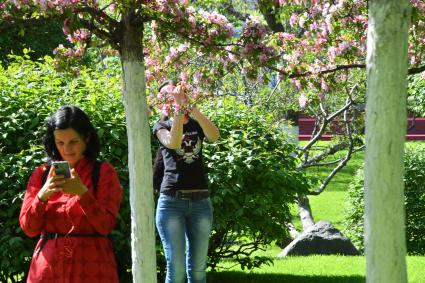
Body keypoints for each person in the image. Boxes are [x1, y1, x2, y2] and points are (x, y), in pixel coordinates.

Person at [19, 106, 122, 283]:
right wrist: (43, 195)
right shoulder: (42, 174)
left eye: (73, 142)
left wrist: (82, 193)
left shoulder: (103, 172)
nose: (67, 149)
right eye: (60, 142)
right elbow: (29, 228)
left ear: (87, 138)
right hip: (47, 270)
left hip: (92, 269)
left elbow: (106, 225)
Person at [153, 80, 220, 283]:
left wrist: (193, 108)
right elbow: (173, 143)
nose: (176, 99)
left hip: (201, 202)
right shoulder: (161, 126)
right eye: (170, 97)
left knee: (198, 272)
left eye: (179, 95)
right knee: (177, 271)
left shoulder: (196, 124)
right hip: (172, 203)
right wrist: (178, 113)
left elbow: (215, 136)